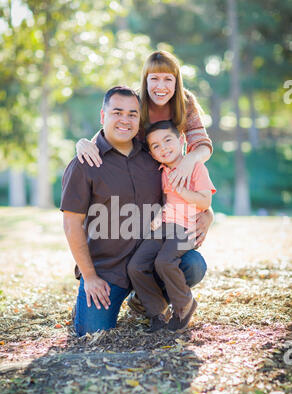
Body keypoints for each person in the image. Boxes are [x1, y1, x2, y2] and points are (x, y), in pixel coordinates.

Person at [73, 50, 214, 318]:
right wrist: (85, 143)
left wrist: (191, 166)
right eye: (154, 79)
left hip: (169, 187)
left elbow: (202, 145)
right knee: (131, 259)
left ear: (177, 81)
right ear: (145, 81)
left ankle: (148, 299)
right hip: (139, 183)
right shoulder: (138, 102)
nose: (161, 86)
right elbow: (114, 130)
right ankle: (93, 300)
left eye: (168, 79)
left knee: (190, 263)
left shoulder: (185, 102)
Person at [128, 120, 216, 333]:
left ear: (181, 140)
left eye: (168, 140)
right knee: (136, 266)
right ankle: (157, 312)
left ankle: (184, 305)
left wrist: (183, 191)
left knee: (164, 262)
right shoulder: (161, 171)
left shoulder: (196, 168)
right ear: (152, 153)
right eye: (156, 146)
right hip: (164, 227)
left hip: (186, 228)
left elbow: (205, 203)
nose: (163, 148)